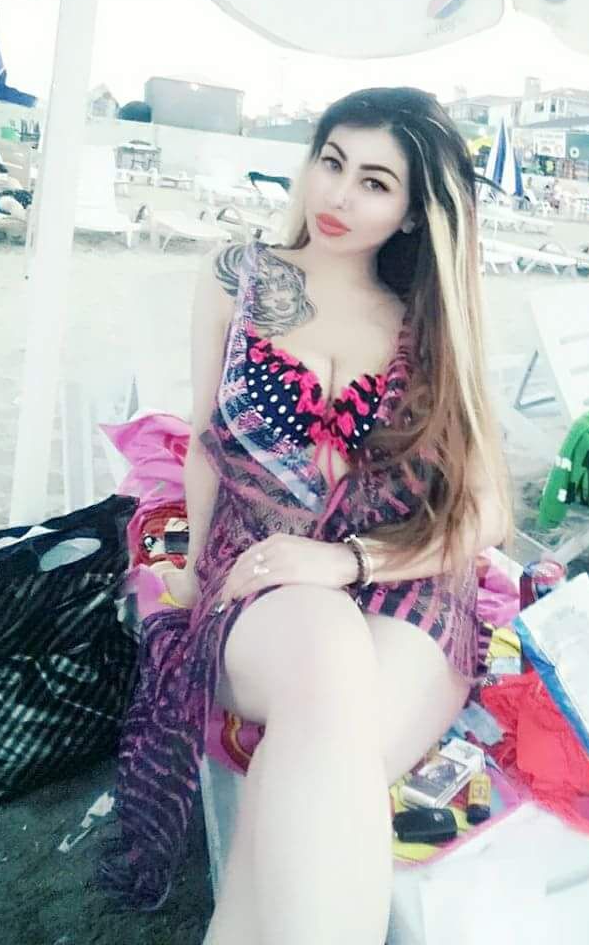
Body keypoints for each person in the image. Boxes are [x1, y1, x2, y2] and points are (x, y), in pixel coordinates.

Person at [99, 88, 512, 944]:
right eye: (331, 161)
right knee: (325, 675)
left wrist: (352, 562)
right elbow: (206, 438)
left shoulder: (430, 322)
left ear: (412, 213)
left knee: (315, 783)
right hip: (263, 565)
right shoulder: (239, 276)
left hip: (401, 578)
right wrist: (190, 582)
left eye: (374, 183)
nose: (337, 195)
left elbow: (489, 511)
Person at [0, 150, 32, 219]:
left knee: (27, 199)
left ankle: (30, 210)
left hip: (14, 194)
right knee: (9, 202)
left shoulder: (8, 180)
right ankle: (24, 215)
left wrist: (5, 183)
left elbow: (20, 191)